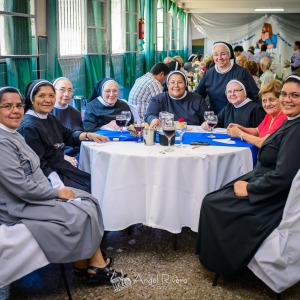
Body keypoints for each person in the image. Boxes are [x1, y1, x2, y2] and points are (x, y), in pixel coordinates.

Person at [0, 87, 125, 283]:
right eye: (7, 106)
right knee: (80, 210)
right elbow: (21, 187)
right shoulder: (5, 140)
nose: (15, 111)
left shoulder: (12, 133)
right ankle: (95, 266)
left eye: (17, 106)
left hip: (36, 193)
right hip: (17, 204)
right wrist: (55, 193)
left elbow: (66, 136)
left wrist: (87, 135)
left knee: (90, 200)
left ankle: (83, 264)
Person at [195, 73, 300, 280]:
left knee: (212, 203)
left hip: (272, 197)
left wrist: (250, 189)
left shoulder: (296, 130)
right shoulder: (290, 121)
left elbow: (284, 177)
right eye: (284, 94)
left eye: (295, 95)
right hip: (263, 180)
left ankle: (226, 264)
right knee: (213, 197)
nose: (287, 99)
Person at [17, 80, 109, 193]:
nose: (48, 100)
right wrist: (58, 187)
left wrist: (88, 135)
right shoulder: (28, 127)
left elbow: (68, 135)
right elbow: (38, 164)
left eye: (51, 95)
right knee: (90, 189)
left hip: (63, 167)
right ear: (32, 99)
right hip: (49, 175)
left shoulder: (49, 117)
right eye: (41, 96)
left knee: (98, 182)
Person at [195, 41, 260, 114]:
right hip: (215, 119)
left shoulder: (242, 72)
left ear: (229, 55)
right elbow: (198, 95)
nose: (219, 58)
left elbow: (256, 96)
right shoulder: (208, 74)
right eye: (216, 55)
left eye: (223, 54)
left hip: (239, 117)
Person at [227, 80, 287, 148]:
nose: (267, 104)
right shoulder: (269, 115)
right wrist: (241, 128)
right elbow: (257, 131)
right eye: (264, 101)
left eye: (271, 100)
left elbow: (264, 142)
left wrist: (240, 133)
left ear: (281, 99)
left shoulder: (282, 117)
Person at [144, 70, 208, 127]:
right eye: (172, 82)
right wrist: (154, 120)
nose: (176, 85)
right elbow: (149, 115)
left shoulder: (197, 99)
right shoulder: (158, 99)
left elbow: (206, 119)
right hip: (166, 134)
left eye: (180, 82)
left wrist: (205, 124)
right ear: (167, 85)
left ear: (185, 84)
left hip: (193, 136)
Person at [201, 78, 265, 129]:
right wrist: (207, 123)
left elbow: (262, 133)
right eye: (229, 91)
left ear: (245, 92)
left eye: (236, 91)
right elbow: (217, 121)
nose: (232, 94)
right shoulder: (229, 107)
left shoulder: (256, 110)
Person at [51, 77, 83, 161]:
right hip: (56, 156)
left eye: (70, 90)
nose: (66, 94)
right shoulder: (47, 113)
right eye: (62, 90)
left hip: (77, 154)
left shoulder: (76, 113)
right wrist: (62, 156)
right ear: (53, 91)